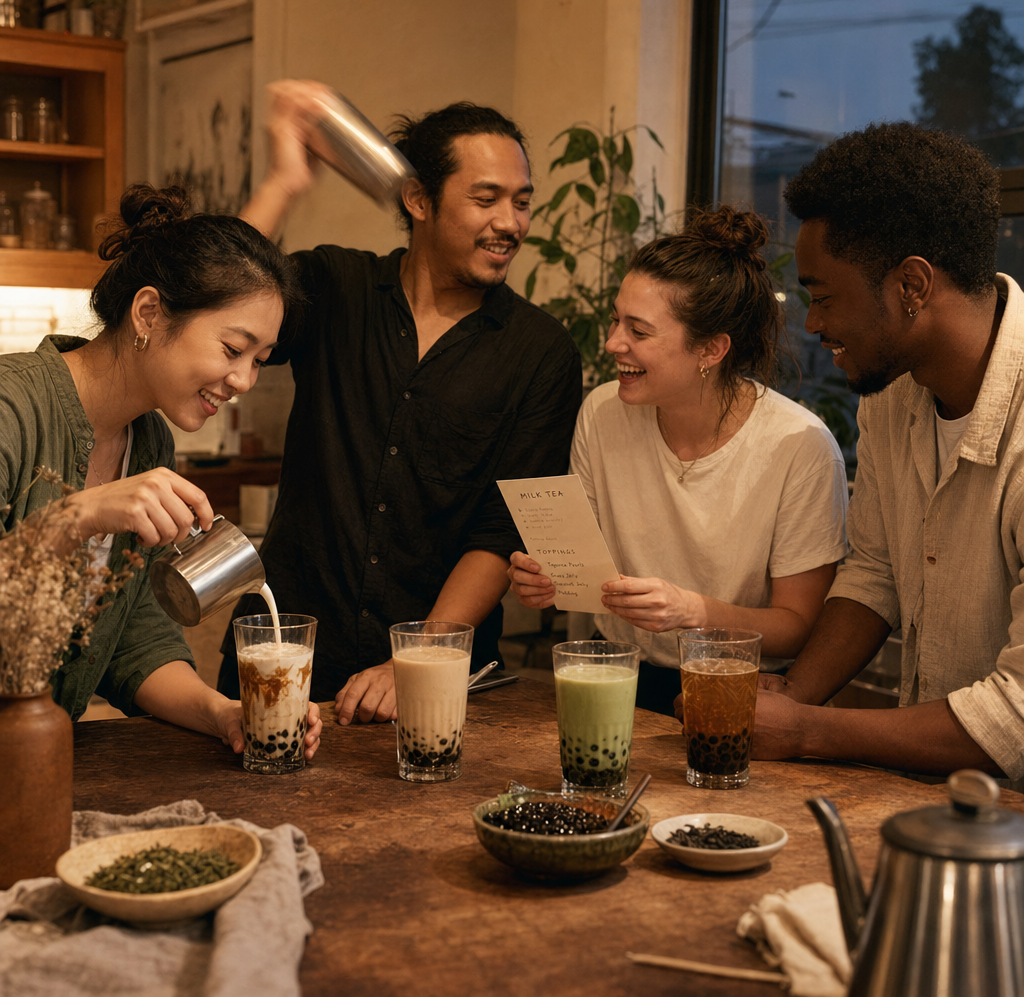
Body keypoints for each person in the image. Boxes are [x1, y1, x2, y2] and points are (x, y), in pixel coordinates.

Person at [218, 81, 582, 725]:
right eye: (486, 198)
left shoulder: (540, 351)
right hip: (284, 648)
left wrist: (420, 656)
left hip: (431, 678)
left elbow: (501, 533)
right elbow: (218, 303)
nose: (511, 223)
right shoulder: (335, 287)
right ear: (419, 199)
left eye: (523, 202)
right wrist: (284, 181)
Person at [0, 183, 322, 759]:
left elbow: (133, 638)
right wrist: (77, 514)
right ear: (149, 311)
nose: (244, 381)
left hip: (35, 764)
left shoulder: (147, 443)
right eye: (232, 349)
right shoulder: (13, 407)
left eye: (259, 361)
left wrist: (222, 713)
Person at [753, 122, 1024, 781]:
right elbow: (873, 574)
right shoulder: (892, 395)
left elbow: (1017, 714)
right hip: (937, 809)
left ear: (912, 285)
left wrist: (808, 731)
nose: (812, 325)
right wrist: (783, 703)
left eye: (823, 297)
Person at [508, 207, 849, 715]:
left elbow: (797, 627)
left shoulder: (799, 445)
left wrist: (692, 610)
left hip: (739, 687)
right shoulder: (603, 413)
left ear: (710, 349)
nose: (612, 343)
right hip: (617, 672)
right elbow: (584, 570)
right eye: (615, 319)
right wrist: (549, 578)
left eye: (638, 331)